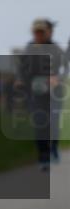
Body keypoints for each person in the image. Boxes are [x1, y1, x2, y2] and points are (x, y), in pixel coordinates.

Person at [16, 18, 66, 172]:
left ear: (47, 33)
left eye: (41, 32)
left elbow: (65, 67)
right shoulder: (29, 48)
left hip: (54, 91)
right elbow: (23, 67)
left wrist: (57, 77)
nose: (38, 35)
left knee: (53, 122)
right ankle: (43, 157)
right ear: (33, 33)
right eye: (36, 32)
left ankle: (54, 148)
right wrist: (20, 80)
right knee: (39, 124)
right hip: (37, 91)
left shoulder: (55, 48)